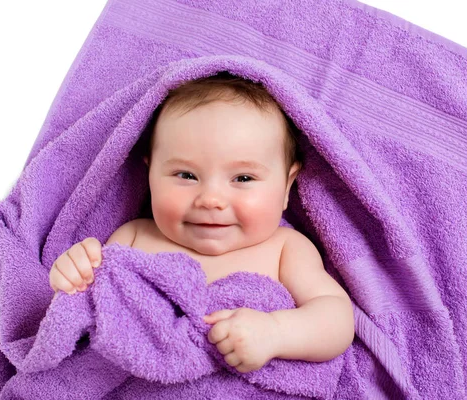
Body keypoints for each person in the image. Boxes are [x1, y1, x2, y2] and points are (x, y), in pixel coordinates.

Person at [49, 72, 355, 373]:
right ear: (150, 174)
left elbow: (336, 319)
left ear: (286, 187)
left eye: (243, 178)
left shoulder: (285, 249)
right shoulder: (133, 237)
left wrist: (275, 333)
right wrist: (74, 273)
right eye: (186, 175)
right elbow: (94, 312)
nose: (211, 199)